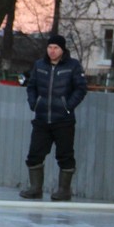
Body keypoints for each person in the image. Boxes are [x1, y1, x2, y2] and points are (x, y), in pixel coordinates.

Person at [21, 33, 87, 201]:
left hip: (63, 120)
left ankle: (64, 191)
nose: (52, 51)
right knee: (34, 154)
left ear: (62, 49)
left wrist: (67, 106)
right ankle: (35, 188)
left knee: (65, 155)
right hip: (41, 119)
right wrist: (34, 103)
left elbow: (81, 89)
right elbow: (31, 86)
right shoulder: (39, 65)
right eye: (50, 47)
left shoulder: (73, 66)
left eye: (56, 48)